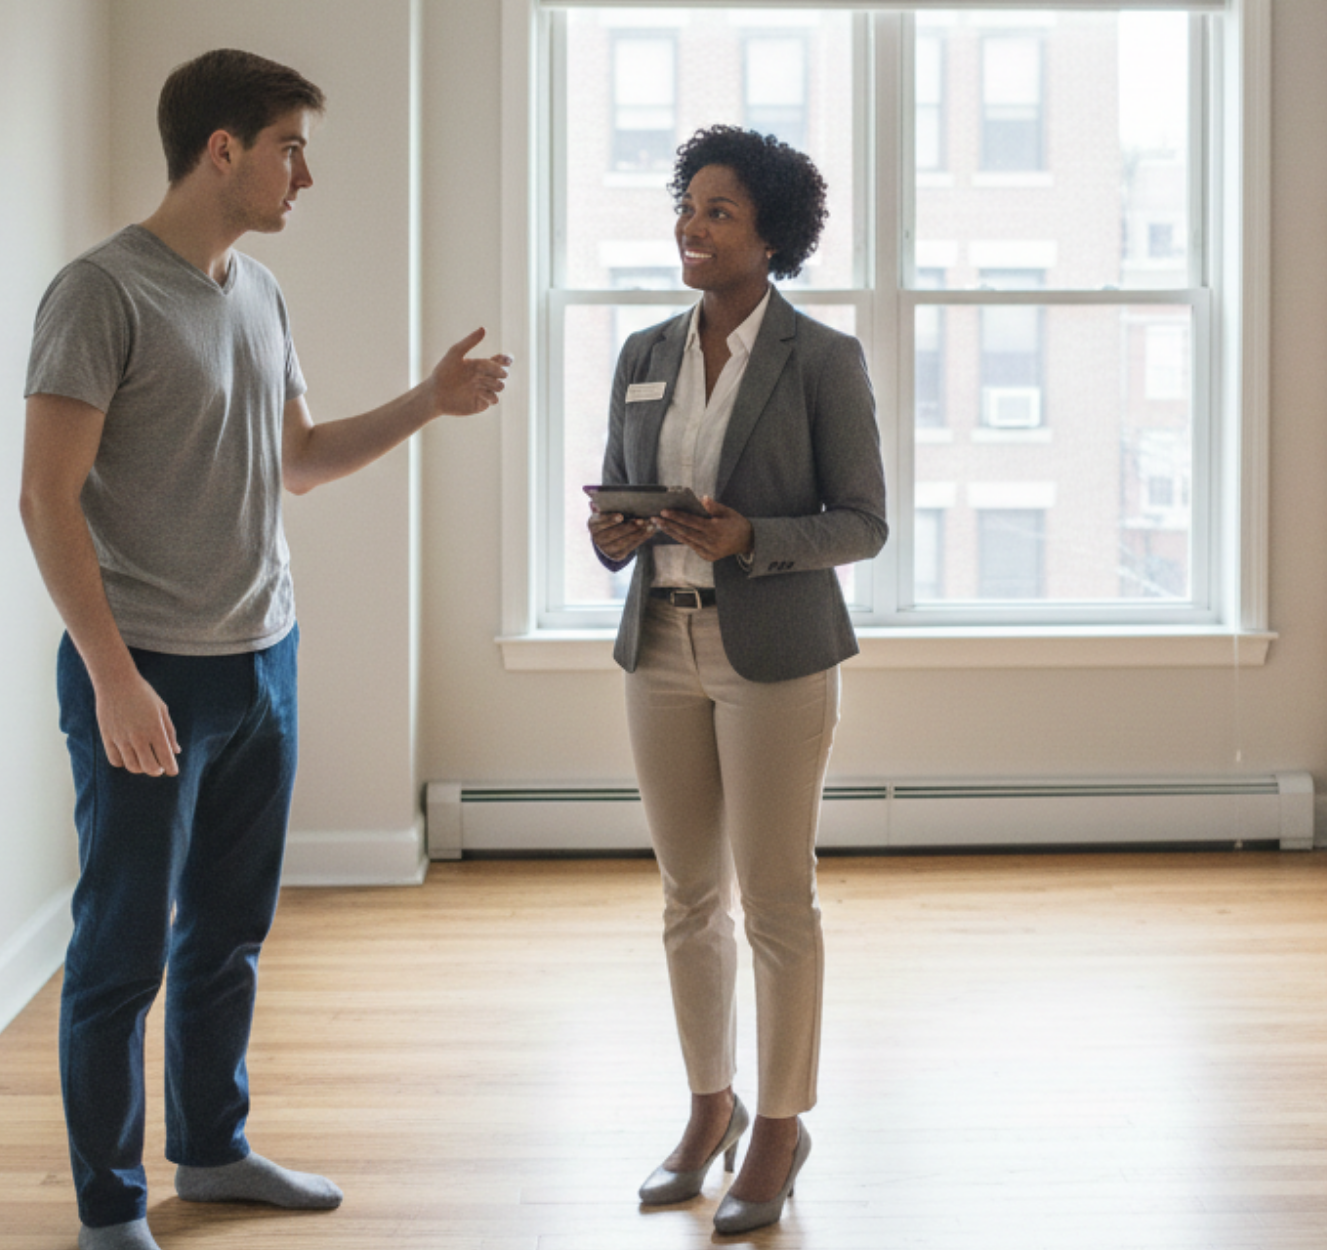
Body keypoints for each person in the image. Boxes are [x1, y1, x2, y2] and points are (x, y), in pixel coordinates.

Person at [18, 49, 509, 1250]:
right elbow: (45, 499)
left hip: (262, 655)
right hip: (146, 671)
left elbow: (298, 461)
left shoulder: (256, 290)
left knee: (228, 928)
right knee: (121, 946)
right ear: (222, 149)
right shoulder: (100, 293)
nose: (307, 172)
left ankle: (214, 1148)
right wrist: (113, 676)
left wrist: (427, 402)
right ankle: (107, 1205)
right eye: (291, 144)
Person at [588, 125, 885, 1236]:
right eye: (687, 207)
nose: (692, 227)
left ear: (772, 235)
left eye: (718, 212)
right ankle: (710, 1105)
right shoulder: (643, 349)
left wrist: (749, 534)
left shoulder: (820, 360)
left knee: (774, 901)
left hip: (775, 654)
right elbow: (621, 487)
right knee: (685, 896)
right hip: (657, 642)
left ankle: (781, 1121)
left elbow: (862, 523)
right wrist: (614, 532)